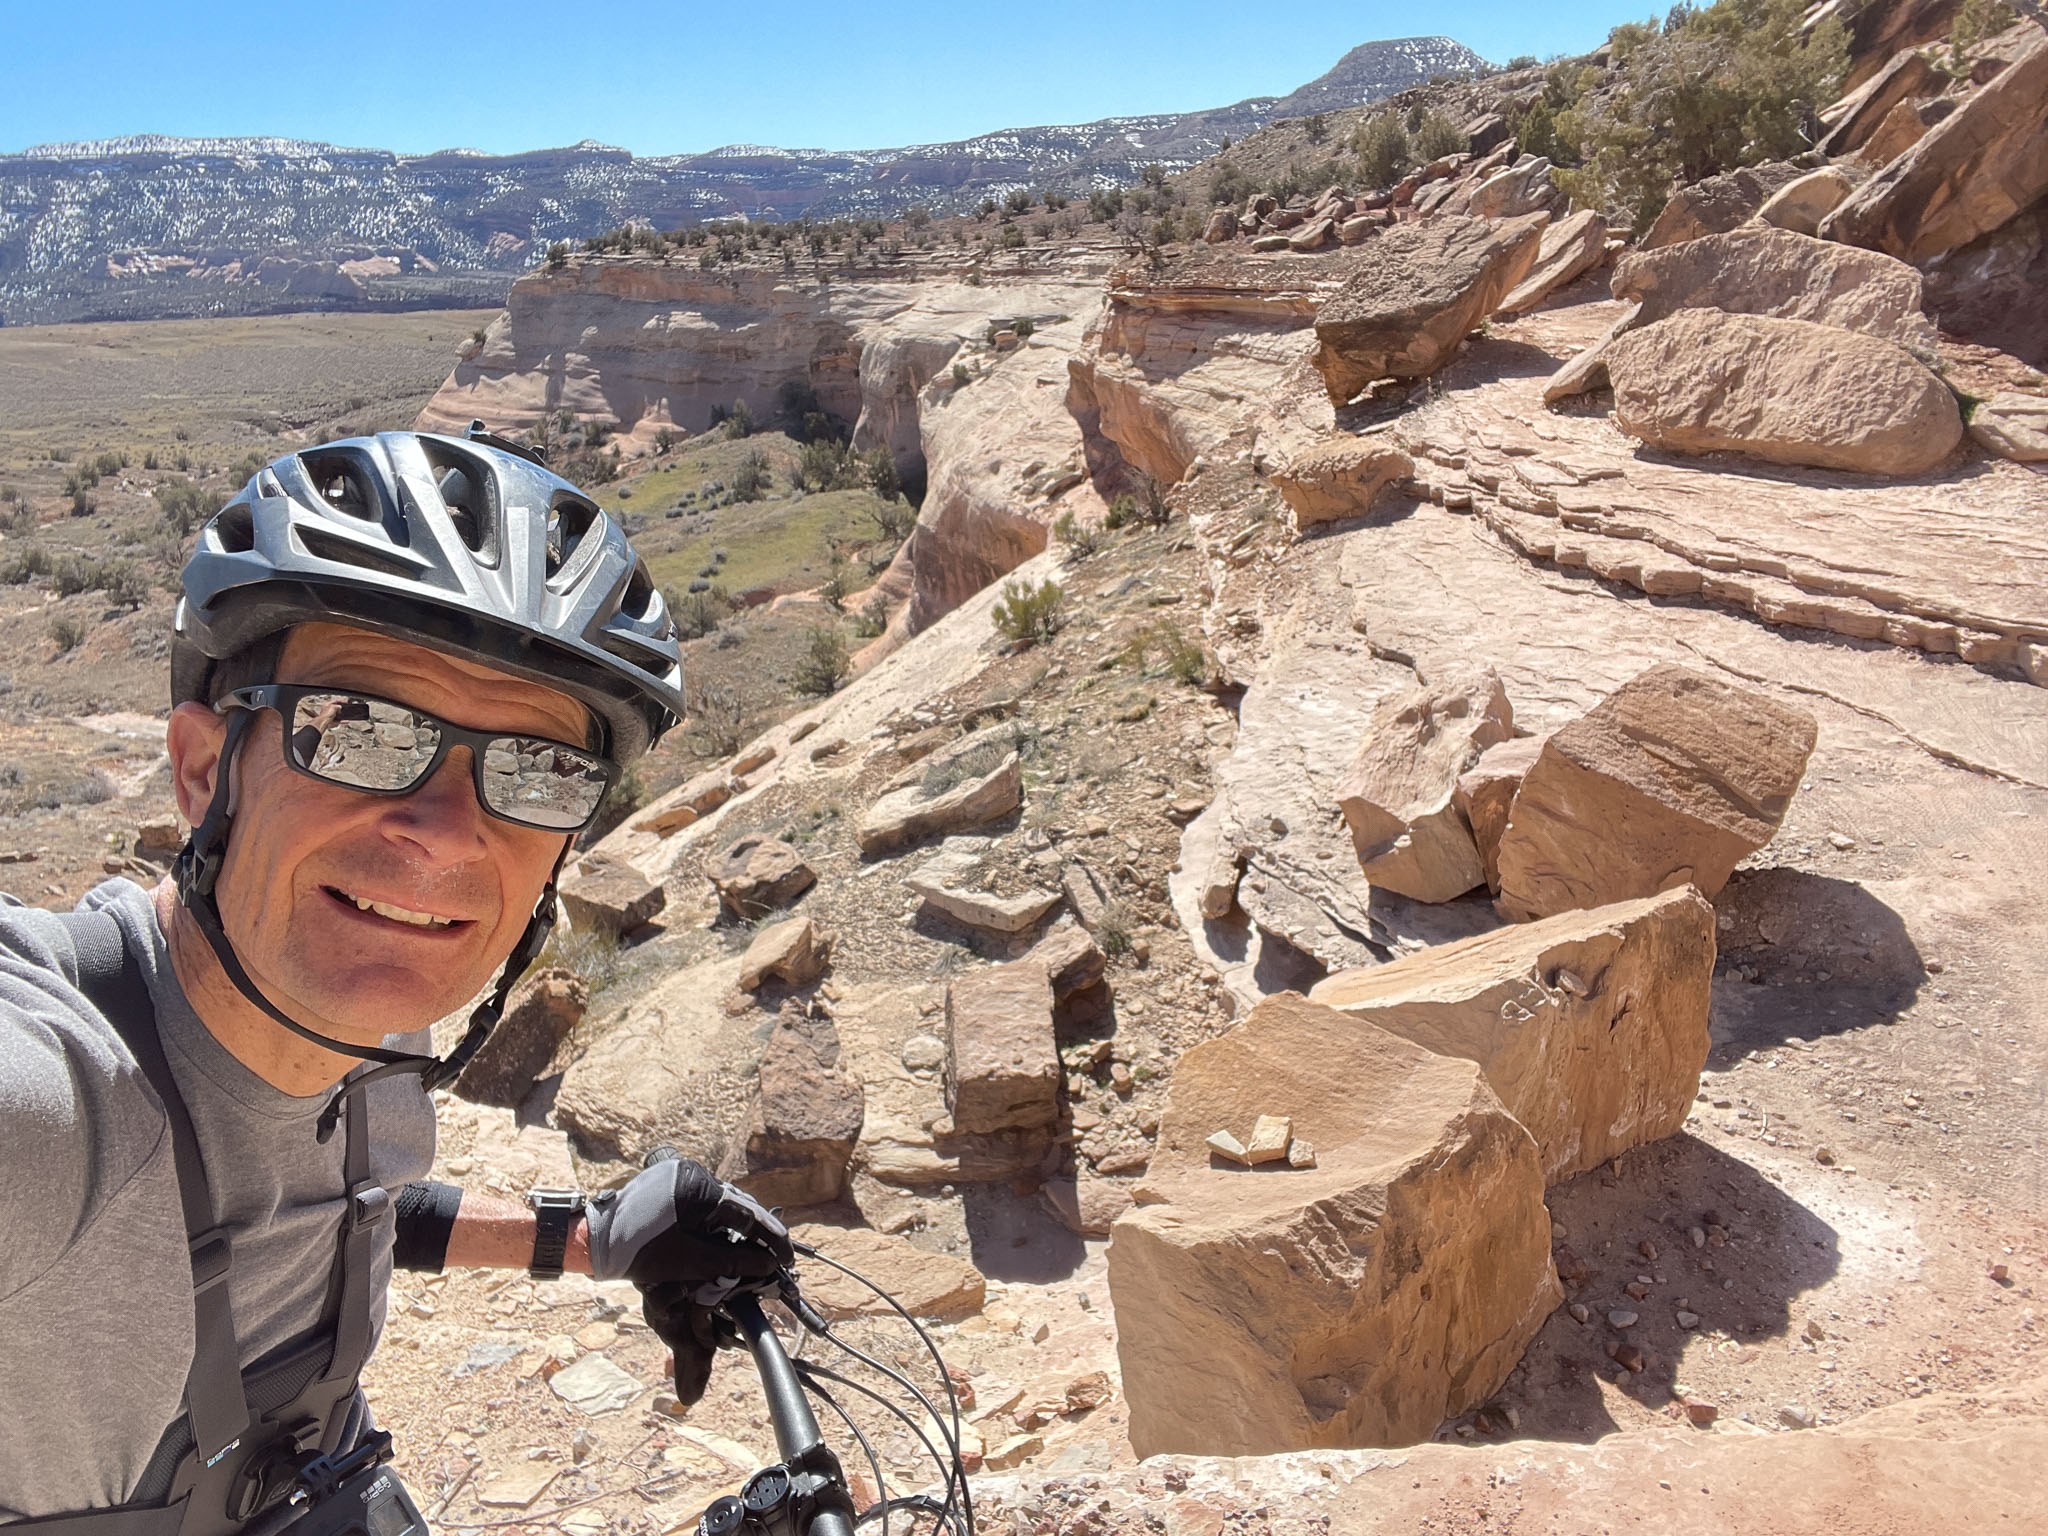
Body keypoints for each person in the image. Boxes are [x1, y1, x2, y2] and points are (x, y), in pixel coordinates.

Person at [0, 425, 790, 1529]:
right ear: (202, 769)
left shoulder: (373, 1021)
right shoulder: (50, 1104)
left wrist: (594, 1236)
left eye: (538, 770)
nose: (446, 833)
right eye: (360, 730)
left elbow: (351, 1207)